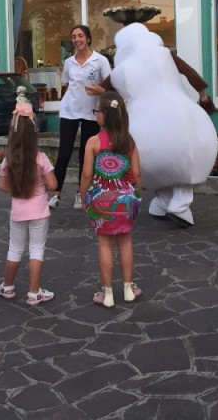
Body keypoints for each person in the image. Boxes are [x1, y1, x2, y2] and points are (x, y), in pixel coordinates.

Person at [105, 21, 217, 228]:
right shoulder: (165, 55)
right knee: (185, 160)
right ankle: (178, 204)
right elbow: (191, 74)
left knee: (152, 168)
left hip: (141, 126)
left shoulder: (119, 71)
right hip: (178, 114)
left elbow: (102, 89)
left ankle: (165, 202)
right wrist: (203, 96)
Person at [79, 92, 142, 308]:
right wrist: (137, 196)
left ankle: (107, 293)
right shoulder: (129, 142)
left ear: (104, 115)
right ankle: (128, 289)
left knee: (104, 243)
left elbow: (86, 174)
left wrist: (84, 196)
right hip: (127, 199)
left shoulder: (93, 142)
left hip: (101, 201)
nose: (95, 114)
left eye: (96, 111)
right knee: (125, 242)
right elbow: (136, 173)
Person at [0, 98, 58, 306]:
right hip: (39, 211)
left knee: (14, 249)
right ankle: (34, 292)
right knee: (37, 249)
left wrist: (18, 189)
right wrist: (42, 187)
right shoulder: (41, 158)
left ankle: (7, 287)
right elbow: (53, 184)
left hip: (18, 212)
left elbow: (2, 186)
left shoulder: (8, 159)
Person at [49, 25, 111, 211]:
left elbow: (110, 85)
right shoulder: (69, 62)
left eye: (80, 36)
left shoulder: (100, 60)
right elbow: (67, 85)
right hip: (70, 111)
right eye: (74, 36)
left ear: (88, 38)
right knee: (64, 152)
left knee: (86, 153)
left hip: (91, 113)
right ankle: (56, 193)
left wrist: (101, 91)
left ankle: (80, 193)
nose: (77, 39)